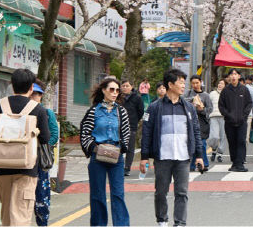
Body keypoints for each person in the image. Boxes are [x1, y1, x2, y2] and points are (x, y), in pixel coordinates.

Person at [0, 69, 50, 226]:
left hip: (2, 169)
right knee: (20, 216)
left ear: (12, 86)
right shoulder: (38, 109)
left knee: (7, 215)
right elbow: (46, 138)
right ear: (31, 88)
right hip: (26, 171)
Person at [140, 69, 204, 227]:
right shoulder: (155, 108)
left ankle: (180, 223)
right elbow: (146, 132)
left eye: (184, 82)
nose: (183, 85)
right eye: (180, 82)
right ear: (170, 84)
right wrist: (144, 157)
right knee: (161, 192)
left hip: (183, 157)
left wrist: (199, 155)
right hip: (162, 157)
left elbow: (196, 131)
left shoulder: (188, 108)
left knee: (182, 192)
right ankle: (162, 221)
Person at [80, 77, 131, 226]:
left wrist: (121, 148)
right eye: (111, 89)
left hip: (116, 157)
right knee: (97, 195)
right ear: (103, 90)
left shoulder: (121, 111)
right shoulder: (93, 111)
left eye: (117, 90)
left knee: (118, 194)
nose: (115, 93)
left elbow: (126, 133)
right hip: (98, 156)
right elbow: (85, 133)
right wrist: (94, 148)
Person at [31, 80, 58, 226]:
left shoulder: (47, 113)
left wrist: (43, 144)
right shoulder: (21, 111)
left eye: (38, 94)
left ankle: (42, 222)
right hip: (23, 161)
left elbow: (54, 134)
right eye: (33, 93)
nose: (35, 96)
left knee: (42, 196)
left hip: (41, 160)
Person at [218, 69, 253, 172]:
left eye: (235, 74)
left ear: (238, 76)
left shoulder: (244, 89)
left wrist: (244, 116)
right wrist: (227, 115)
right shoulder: (225, 91)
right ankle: (234, 163)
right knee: (232, 142)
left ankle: (240, 163)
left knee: (241, 141)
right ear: (229, 77)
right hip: (229, 122)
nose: (233, 76)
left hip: (242, 121)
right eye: (231, 74)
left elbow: (249, 104)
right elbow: (221, 106)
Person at [184, 75, 213, 172]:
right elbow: (183, 104)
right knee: (191, 144)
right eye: (193, 83)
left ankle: (204, 164)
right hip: (190, 122)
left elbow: (209, 110)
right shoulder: (188, 94)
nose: (195, 85)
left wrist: (201, 109)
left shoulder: (206, 96)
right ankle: (192, 165)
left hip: (202, 123)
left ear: (201, 82)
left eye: (197, 83)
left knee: (202, 144)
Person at [120, 79, 145, 177]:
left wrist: (135, 120)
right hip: (119, 126)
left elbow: (141, 111)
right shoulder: (118, 97)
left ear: (131, 87)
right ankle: (118, 166)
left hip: (131, 126)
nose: (125, 88)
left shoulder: (137, 98)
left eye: (127, 86)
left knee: (130, 148)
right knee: (119, 147)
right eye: (123, 86)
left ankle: (127, 168)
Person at [208, 79, 227, 163]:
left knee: (223, 136)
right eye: (219, 83)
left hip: (224, 117)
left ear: (225, 85)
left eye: (222, 83)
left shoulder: (227, 94)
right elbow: (208, 104)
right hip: (213, 117)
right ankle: (214, 148)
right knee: (214, 136)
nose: (220, 85)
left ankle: (220, 154)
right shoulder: (212, 94)